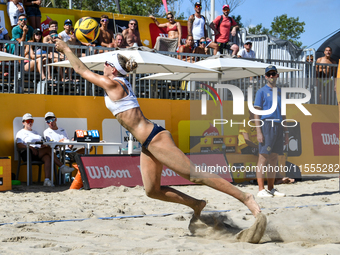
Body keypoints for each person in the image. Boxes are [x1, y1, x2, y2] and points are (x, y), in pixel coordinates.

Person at [55, 39, 262, 223]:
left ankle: (245, 198)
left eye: (107, 64)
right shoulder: (117, 81)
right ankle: (197, 204)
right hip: (148, 143)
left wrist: (66, 49)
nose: (104, 66)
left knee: (195, 175)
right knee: (152, 191)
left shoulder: (113, 84)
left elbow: (82, 71)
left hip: (155, 138)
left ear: (114, 70)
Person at [254, 65, 289, 198]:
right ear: (265, 76)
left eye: (273, 74)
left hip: (279, 126)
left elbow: (284, 114)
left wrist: (286, 132)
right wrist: (259, 131)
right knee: (263, 157)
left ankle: (271, 188)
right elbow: (256, 113)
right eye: (269, 74)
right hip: (267, 125)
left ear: (277, 75)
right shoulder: (261, 92)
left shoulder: (280, 92)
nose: (271, 76)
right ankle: (261, 189)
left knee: (274, 158)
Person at [16, 113, 75, 186]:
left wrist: (43, 145)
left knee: (47, 157)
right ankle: (62, 166)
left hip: (38, 151)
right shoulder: (21, 132)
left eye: (31, 121)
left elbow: (41, 142)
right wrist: (30, 147)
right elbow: (19, 144)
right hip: (28, 153)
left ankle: (47, 180)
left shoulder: (35, 132)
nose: (30, 123)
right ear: (23, 122)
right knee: (49, 149)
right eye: (28, 121)